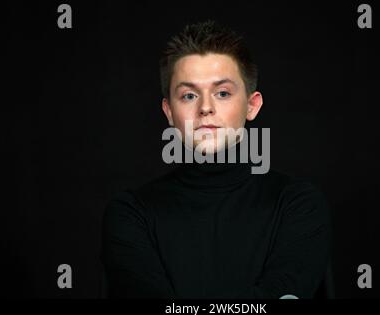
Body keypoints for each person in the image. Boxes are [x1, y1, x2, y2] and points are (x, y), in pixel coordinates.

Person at [100, 20, 331, 299]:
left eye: (222, 93)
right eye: (188, 95)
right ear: (169, 111)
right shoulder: (131, 214)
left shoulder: (297, 205)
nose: (205, 108)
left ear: (251, 105)